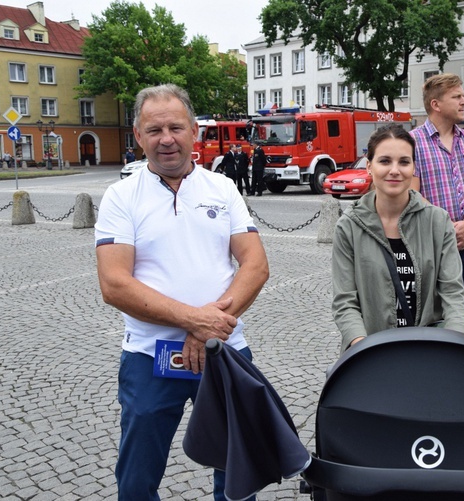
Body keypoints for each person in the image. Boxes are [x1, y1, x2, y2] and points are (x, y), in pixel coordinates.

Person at [94, 84, 269, 501]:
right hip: (149, 355)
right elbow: (114, 283)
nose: (166, 139)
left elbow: (256, 265)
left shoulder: (222, 188)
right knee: (137, 477)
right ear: (138, 136)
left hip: (224, 351)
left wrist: (206, 329)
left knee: (237, 471)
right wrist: (194, 321)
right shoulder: (121, 196)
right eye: (154, 130)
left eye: (175, 127)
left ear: (194, 130)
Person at [333, 124, 464, 352]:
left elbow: (453, 294)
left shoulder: (437, 221)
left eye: (404, 162)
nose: (395, 170)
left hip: (430, 352)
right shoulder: (349, 226)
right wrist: (361, 347)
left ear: (414, 167)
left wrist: (454, 346)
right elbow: (345, 301)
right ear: (369, 166)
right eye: (385, 161)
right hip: (371, 352)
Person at [410, 73, 464, 338]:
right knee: (428, 319)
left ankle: (463, 375)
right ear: (436, 104)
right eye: (457, 96)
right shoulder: (412, 142)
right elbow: (413, 194)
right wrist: (448, 229)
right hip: (430, 250)